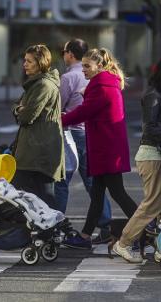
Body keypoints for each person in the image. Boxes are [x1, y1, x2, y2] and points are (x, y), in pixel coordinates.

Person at [61, 48, 137, 250]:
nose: (83, 69)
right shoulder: (107, 83)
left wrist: (57, 120)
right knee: (97, 194)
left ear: (100, 66)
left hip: (106, 149)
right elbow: (96, 111)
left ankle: (146, 227)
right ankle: (85, 236)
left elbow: (84, 113)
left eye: (87, 66)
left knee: (117, 192)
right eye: (83, 65)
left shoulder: (100, 86)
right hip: (108, 148)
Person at [112, 56, 161, 263]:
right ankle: (123, 243)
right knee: (152, 204)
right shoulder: (153, 95)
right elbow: (149, 127)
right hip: (151, 153)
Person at [54, 38, 112, 244]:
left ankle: (55, 224)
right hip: (90, 133)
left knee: (61, 180)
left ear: (70, 54)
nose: (63, 55)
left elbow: (58, 106)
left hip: (71, 132)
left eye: (64, 51)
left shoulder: (68, 77)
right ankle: (105, 225)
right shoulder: (97, 76)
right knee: (92, 181)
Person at [11, 44, 65, 209]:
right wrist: (19, 109)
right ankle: (44, 230)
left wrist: (20, 110)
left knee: (43, 197)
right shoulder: (35, 84)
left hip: (38, 153)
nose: (24, 64)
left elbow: (27, 116)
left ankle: (56, 229)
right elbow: (17, 106)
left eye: (29, 61)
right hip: (34, 152)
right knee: (33, 196)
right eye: (24, 60)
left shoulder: (43, 85)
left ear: (40, 63)